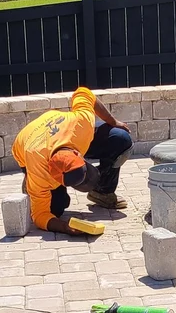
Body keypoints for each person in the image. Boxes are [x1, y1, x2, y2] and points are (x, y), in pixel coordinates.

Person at [12, 87, 133, 236]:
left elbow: (84, 92)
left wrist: (113, 121)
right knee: (56, 209)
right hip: (28, 147)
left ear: (78, 154)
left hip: (66, 132)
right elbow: (39, 216)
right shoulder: (40, 173)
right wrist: (65, 227)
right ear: (56, 180)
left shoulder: (81, 124)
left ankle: (102, 193)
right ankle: (29, 186)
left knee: (120, 139)